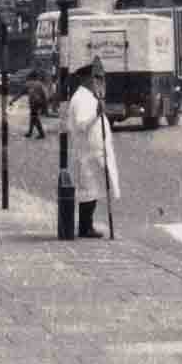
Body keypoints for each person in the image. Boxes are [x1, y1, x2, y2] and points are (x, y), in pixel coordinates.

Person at [64, 62, 120, 238]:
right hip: (87, 153)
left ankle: (86, 226)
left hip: (93, 152)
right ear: (87, 79)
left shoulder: (88, 96)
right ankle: (85, 227)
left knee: (93, 190)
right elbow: (81, 124)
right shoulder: (81, 98)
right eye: (95, 78)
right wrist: (96, 115)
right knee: (89, 191)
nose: (97, 81)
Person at [25, 71, 49, 139]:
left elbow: (20, 93)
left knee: (34, 118)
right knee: (33, 118)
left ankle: (42, 134)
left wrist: (13, 100)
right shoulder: (40, 84)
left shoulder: (28, 84)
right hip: (39, 103)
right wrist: (45, 105)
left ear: (30, 77)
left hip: (34, 103)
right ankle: (30, 132)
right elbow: (45, 95)